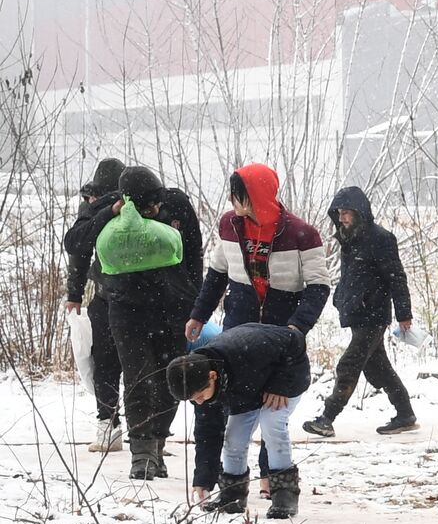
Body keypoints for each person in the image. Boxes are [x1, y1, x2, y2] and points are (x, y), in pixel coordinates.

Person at [186, 165, 330, 503]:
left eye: (238, 194)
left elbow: (319, 286)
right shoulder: (229, 226)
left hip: (282, 330)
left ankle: (271, 477)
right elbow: (217, 275)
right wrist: (199, 314)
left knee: (273, 405)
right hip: (239, 326)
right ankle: (230, 483)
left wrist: (297, 326)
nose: (232, 201)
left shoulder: (301, 234)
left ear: (255, 196)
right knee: (237, 406)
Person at [90, 166, 203, 480]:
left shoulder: (177, 204)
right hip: (128, 307)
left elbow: (194, 252)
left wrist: (197, 303)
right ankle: (141, 454)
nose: (154, 210)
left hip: (174, 305)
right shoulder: (114, 209)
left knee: (173, 380)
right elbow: (79, 243)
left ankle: (158, 444)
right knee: (138, 378)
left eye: (156, 203)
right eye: (146, 206)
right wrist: (104, 214)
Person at [303, 186, 418, 437]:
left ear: (360, 213)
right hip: (357, 313)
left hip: (374, 315)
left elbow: (397, 277)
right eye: (340, 213)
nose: (342, 218)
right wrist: (340, 299)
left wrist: (404, 313)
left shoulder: (381, 238)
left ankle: (327, 417)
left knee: (349, 364)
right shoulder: (349, 239)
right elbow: (351, 277)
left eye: (347, 213)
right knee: (378, 368)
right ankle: (405, 413)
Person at [166, 323, 310, 519]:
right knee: (234, 437)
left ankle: (285, 493)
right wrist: (204, 479)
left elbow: (295, 339)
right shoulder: (201, 383)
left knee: (272, 425)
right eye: (193, 399)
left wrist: (280, 385)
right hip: (248, 391)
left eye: (199, 396)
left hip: (286, 378)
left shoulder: (245, 347)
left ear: (212, 376)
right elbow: (208, 433)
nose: (198, 402)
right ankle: (232, 494)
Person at [63, 157, 126, 453]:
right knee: (134, 362)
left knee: (105, 362)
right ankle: (145, 431)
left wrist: (75, 292)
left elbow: (78, 254)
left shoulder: (92, 203)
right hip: (130, 294)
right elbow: (78, 248)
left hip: (106, 293)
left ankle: (109, 424)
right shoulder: (111, 203)